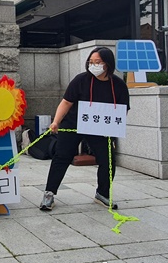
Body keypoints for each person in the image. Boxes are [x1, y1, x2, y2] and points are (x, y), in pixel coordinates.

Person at [40, 47, 130, 211]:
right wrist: (56, 122)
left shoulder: (118, 85)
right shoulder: (81, 80)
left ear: (108, 64)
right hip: (73, 124)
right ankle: (49, 193)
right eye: (91, 62)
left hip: (100, 128)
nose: (94, 65)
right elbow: (66, 102)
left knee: (107, 159)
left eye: (98, 62)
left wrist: (113, 128)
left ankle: (102, 193)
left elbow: (123, 111)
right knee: (62, 157)